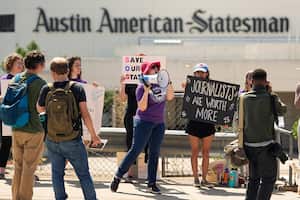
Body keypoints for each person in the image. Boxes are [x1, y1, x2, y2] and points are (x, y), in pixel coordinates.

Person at [37, 57, 101, 200]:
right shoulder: (76, 88)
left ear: (52, 72)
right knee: (83, 174)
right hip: (72, 139)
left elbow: (39, 108)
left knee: (57, 174)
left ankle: (60, 197)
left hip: (52, 139)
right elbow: (85, 114)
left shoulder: (46, 89)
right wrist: (93, 135)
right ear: (67, 70)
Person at [111, 60, 174, 194]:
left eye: (157, 68)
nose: (156, 70)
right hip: (143, 122)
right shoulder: (140, 87)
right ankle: (118, 175)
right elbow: (143, 107)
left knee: (154, 152)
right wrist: (146, 90)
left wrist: (168, 82)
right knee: (136, 150)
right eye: (153, 68)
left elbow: (170, 96)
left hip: (159, 123)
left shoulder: (162, 85)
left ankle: (151, 183)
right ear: (147, 72)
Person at [242, 69, 286, 200]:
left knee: (253, 179)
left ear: (252, 81)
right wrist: (272, 93)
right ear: (266, 81)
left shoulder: (244, 98)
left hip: (249, 146)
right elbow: (283, 110)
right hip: (266, 146)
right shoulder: (271, 97)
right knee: (268, 179)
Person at [11, 51, 47, 200]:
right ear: (39, 65)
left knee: (17, 166)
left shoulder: (16, 79)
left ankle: (15, 197)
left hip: (17, 128)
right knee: (29, 168)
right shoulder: (41, 84)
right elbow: (44, 108)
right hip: (34, 129)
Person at [183, 63, 215, 187]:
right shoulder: (190, 86)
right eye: (197, 72)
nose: (199, 74)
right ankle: (196, 178)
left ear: (207, 73)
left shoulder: (214, 87)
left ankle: (204, 179)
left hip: (208, 122)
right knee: (195, 152)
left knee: (206, 153)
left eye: (202, 72)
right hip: (194, 122)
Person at [119, 53, 148, 181]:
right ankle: (130, 172)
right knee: (130, 142)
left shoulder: (150, 78)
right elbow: (122, 98)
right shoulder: (130, 80)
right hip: (131, 114)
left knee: (148, 142)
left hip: (147, 115)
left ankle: (147, 172)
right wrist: (122, 83)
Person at [0, 53, 24, 179]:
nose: (21, 65)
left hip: (21, 115)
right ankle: (1, 170)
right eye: (18, 63)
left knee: (22, 143)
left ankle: (22, 171)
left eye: (22, 63)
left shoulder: (24, 79)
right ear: (10, 65)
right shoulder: (3, 80)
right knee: (6, 142)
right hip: (6, 115)